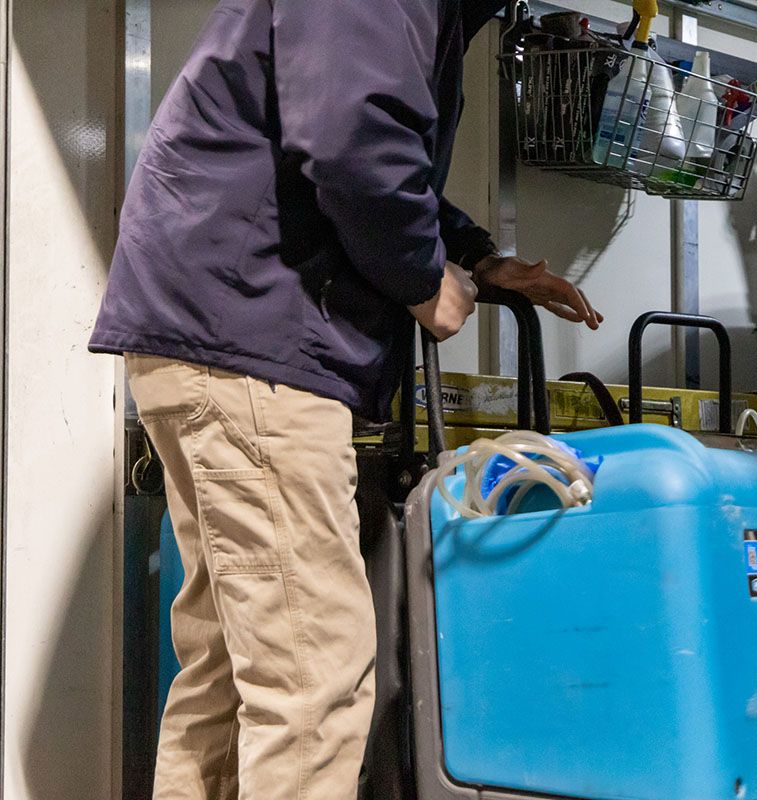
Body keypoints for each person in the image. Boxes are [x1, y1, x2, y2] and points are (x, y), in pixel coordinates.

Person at [89, 1, 601, 797]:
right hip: (255, 340)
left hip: (217, 331)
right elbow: (354, 139)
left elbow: (355, 143)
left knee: (230, 671)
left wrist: (472, 256)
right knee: (311, 676)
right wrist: (423, 278)